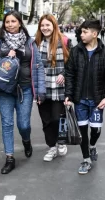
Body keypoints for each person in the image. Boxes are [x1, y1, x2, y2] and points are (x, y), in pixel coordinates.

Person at [0, 10, 46, 174]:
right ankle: (10, 158)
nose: (10, 25)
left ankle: (26, 140)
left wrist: (40, 90)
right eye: (7, 22)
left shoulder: (29, 42)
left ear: (20, 23)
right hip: (4, 90)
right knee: (7, 124)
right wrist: (5, 55)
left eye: (13, 21)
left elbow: (38, 66)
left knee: (24, 124)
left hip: (25, 89)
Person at [64, 20, 105, 175]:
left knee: (95, 129)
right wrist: (69, 94)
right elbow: (69, 74)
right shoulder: (75, 51)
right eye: (81, 32)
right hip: (79, 99)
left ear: (94, 34)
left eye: (85, 32)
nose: (81, 34)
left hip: (97, 100)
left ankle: (92, 145)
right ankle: (86, 159)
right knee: (82, 130)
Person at [35, 14, 72, 162]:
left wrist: (64, 73)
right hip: (42, 86)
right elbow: (33, 66)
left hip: (59, 87)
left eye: (47, 25)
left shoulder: (65, 41)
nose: (45, 28)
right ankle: (51, 147)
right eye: (42, 25)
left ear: (54, 25)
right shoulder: (36, 43)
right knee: (46, 121)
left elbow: (72, 63)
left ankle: (61, 141)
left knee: (58, 118)